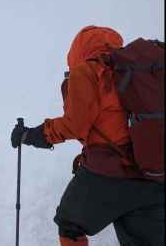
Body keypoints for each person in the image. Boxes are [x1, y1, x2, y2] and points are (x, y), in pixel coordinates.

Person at [10, 26, 164, 246]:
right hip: (154, 173)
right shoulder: (134, 72)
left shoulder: (88, 70)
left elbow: (75, 124)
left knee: (69, 223)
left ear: (78, 50)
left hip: (109, 173)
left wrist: (31, 135)